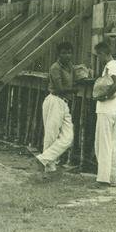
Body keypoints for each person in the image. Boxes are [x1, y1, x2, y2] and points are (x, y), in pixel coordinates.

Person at [33, 42, 83, 173]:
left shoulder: (70, 67)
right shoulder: (55, 67)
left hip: (64, 103)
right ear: (58, 54)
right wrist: (74, 90)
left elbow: (75, 78)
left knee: (68, 137)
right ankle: (49, 168)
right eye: (64, 53)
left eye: (69, 53)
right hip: (54, 100)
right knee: (51, 135)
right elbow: (60, 88)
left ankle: (43, 159)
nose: (67, 55)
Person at [92, 40, 116, 187]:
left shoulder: (112, 67)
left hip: (107, 109)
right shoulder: (112, 67)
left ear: (104, 54)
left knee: (103, 143)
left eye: (98, 55)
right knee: (111, 143)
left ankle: (103, 178)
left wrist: (105, 96)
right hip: (112, 109)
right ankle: (111, 177)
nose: (98, 58)